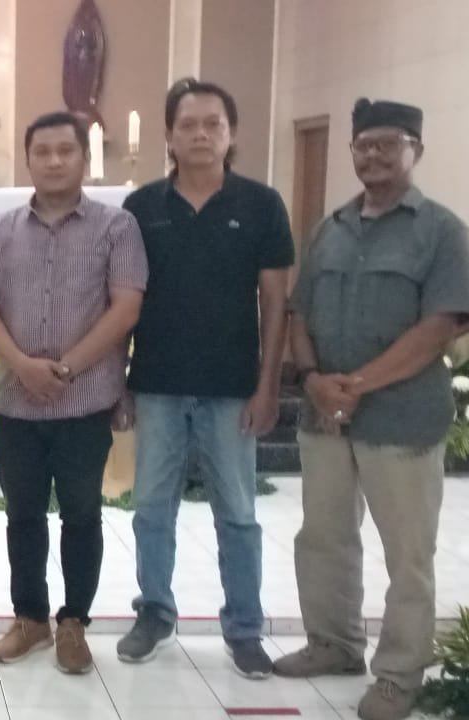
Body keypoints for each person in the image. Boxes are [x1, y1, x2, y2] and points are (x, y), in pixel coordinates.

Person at [275, 98, 469, 720]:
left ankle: (399, 674)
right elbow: (299, 312)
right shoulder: (330, 228)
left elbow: (438, 328)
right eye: (364, 145)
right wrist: (312, 380)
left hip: (402, 418)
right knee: (324, 537)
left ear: (417, 150)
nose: (374, 155)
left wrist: (357, 385)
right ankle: (334, 644)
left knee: (408, 553)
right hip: (325, 416)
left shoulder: (441, 231)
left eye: (389, 143)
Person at [116, 78, 294, 678]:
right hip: (158, 383)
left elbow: (275, 303)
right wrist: (120, 383)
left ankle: (244, 628)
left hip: (232, 386)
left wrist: (268, 386)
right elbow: (124, 300)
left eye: (213, 124)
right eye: (188, 124)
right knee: (151, 508)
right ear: (168, 136)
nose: (200, 134)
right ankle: (154, 612)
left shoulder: (261, 205)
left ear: (231, 132)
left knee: (238, 513)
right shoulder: (142, 208)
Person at [0, 111, 148, 675]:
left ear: (84, 160)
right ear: (27, 160)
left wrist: (65, 369)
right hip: (17, 403)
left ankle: (74, 624)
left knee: (82, 515)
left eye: (65, 151)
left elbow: (127, 307)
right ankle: (30, 619)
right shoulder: (0, 230)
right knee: (21, 515)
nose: (53, 161)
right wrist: (23, 365)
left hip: (85, 401)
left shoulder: (116, 227)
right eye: (42, 152)